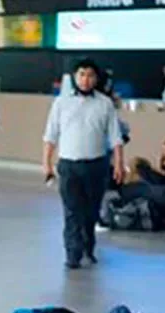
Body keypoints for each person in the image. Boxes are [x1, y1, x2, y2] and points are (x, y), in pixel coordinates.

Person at [43, 59, 125, 269]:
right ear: (75, 76)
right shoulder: (61, 103)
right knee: (71, 211)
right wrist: (47, 163)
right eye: (81, 74)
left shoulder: (105, 104)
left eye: (90, 75)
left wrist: (118, 164)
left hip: (96, 165)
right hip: (69, 165)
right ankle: (73, 253)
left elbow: (116, 137)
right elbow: (50, 135)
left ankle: (88, 246)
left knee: (91, 211)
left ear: (96, 79)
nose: (85, 79)